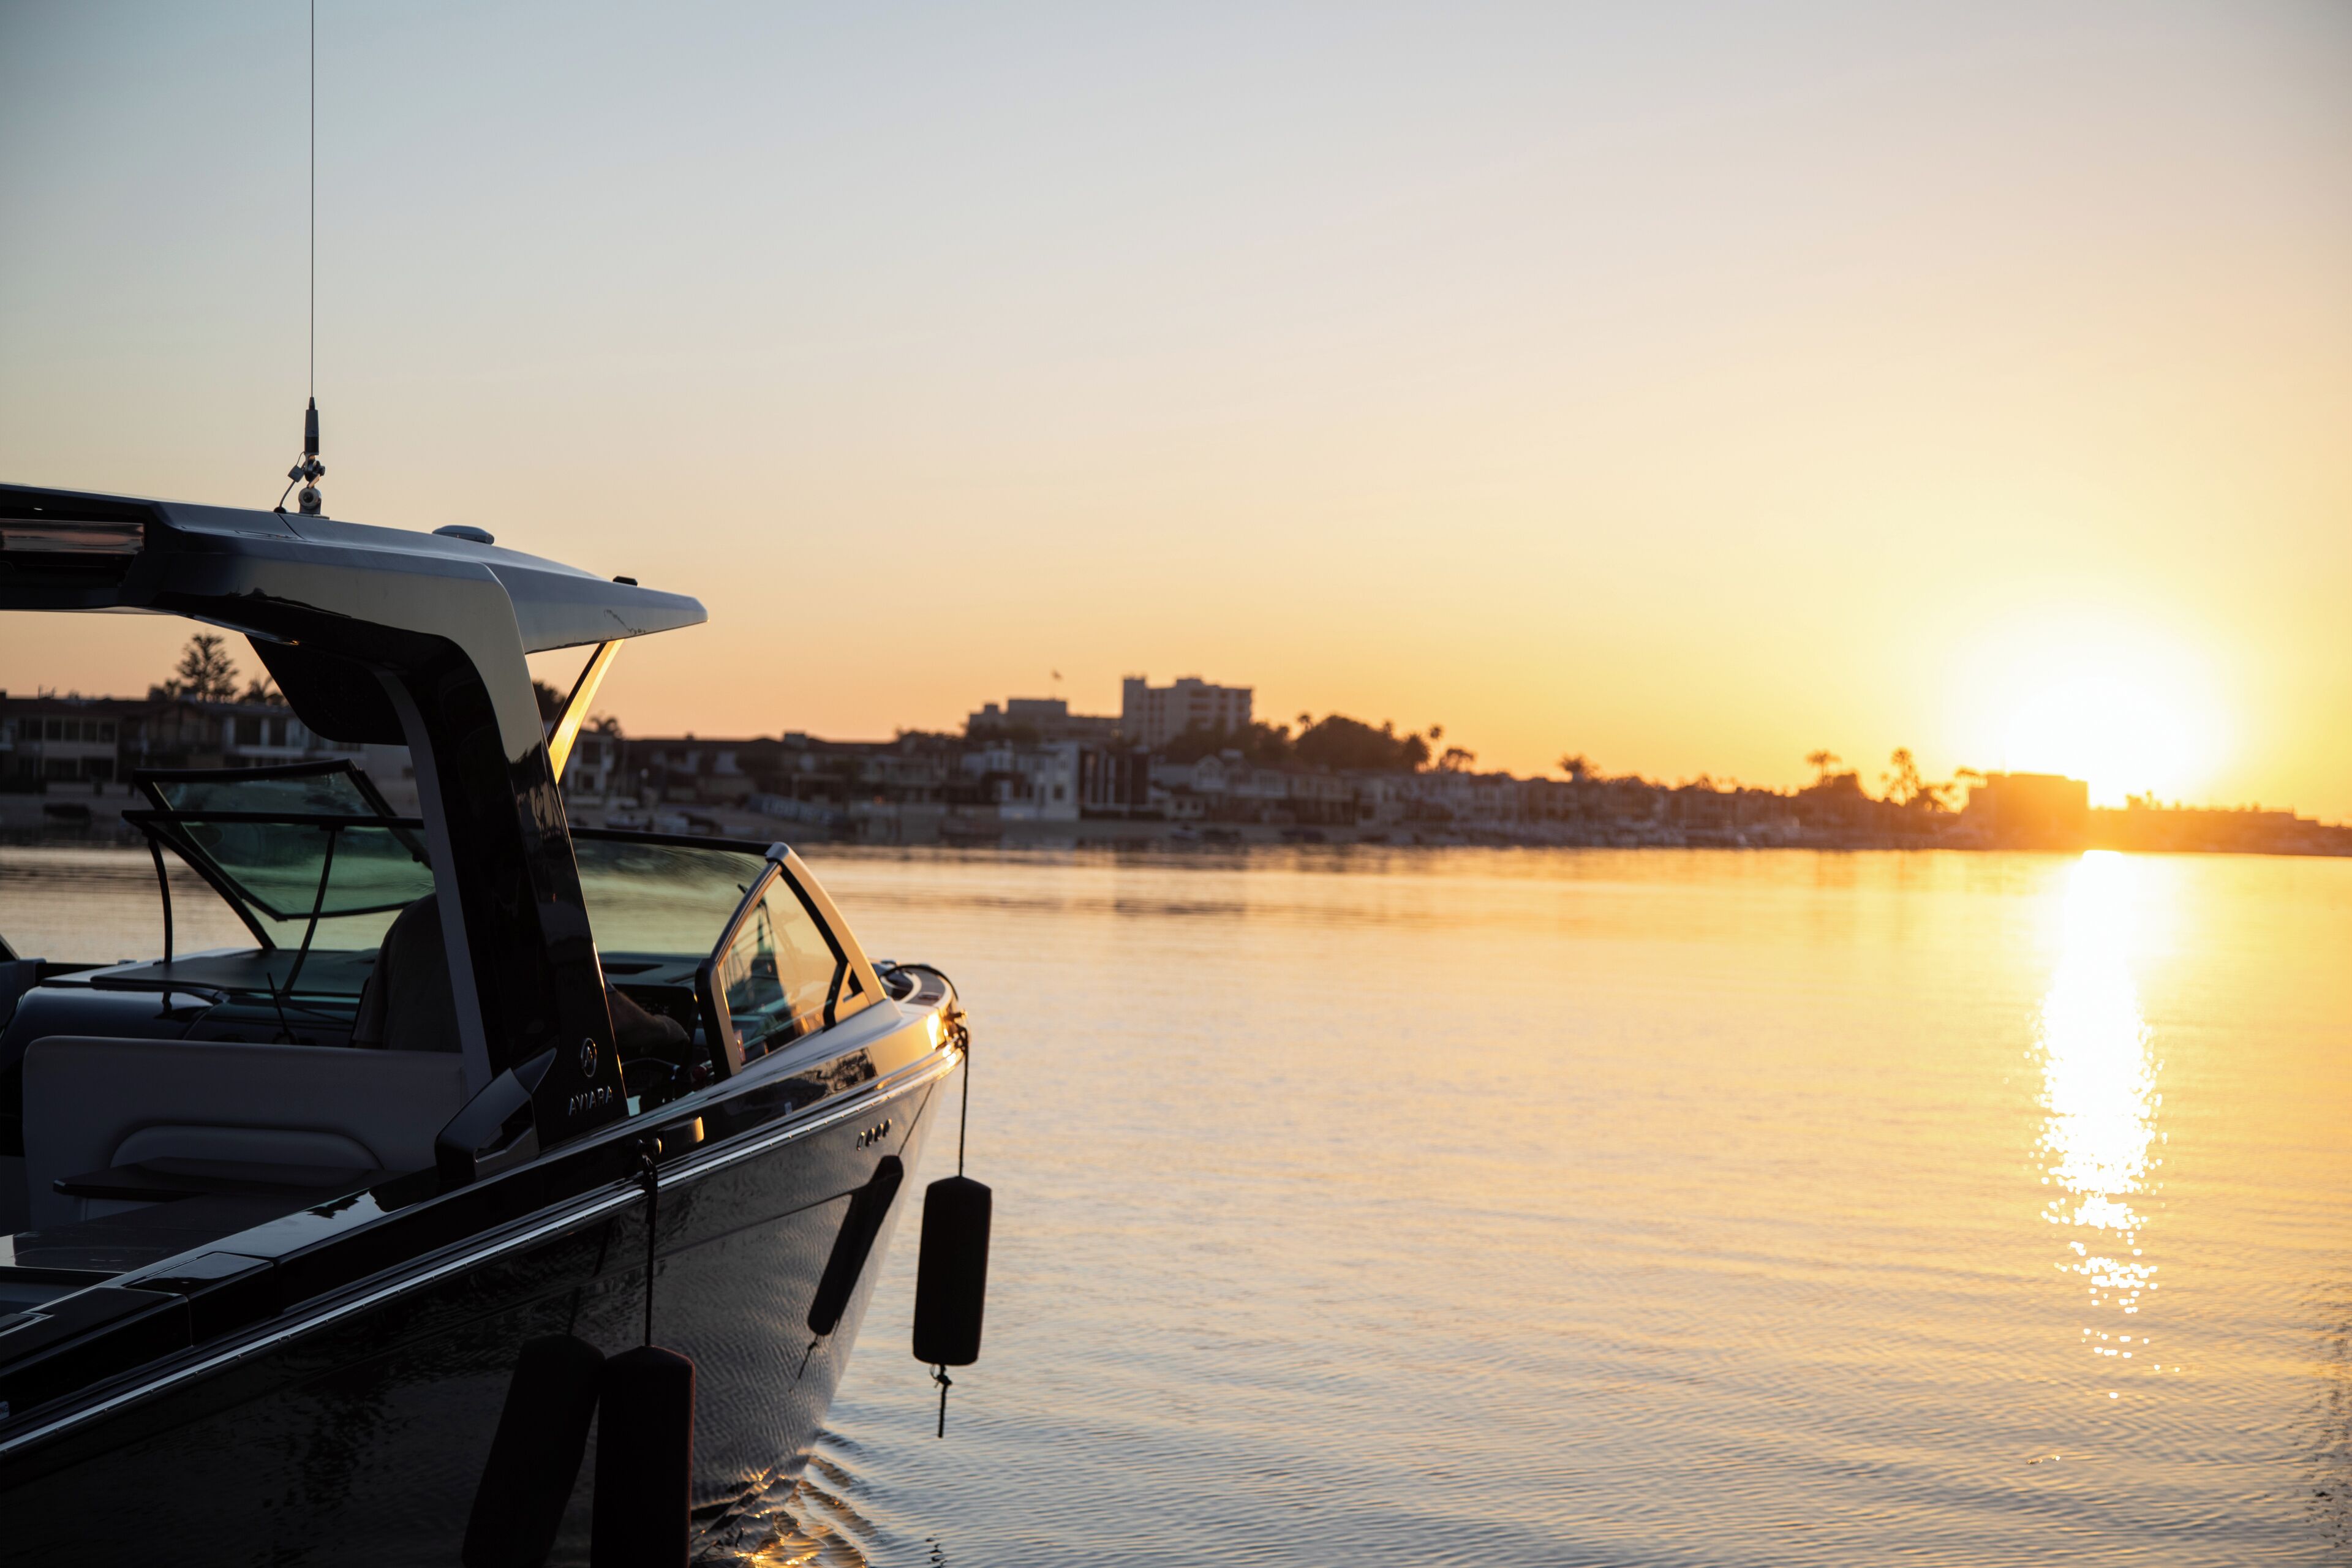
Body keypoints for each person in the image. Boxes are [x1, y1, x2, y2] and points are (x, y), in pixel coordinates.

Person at [352, 894, 688, 1055]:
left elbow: (368, 1044)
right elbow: (609, 1018)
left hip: (406, 1127)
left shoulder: (409, 922)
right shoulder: (545, 924)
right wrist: (666, 1029)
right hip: (500, 1132)